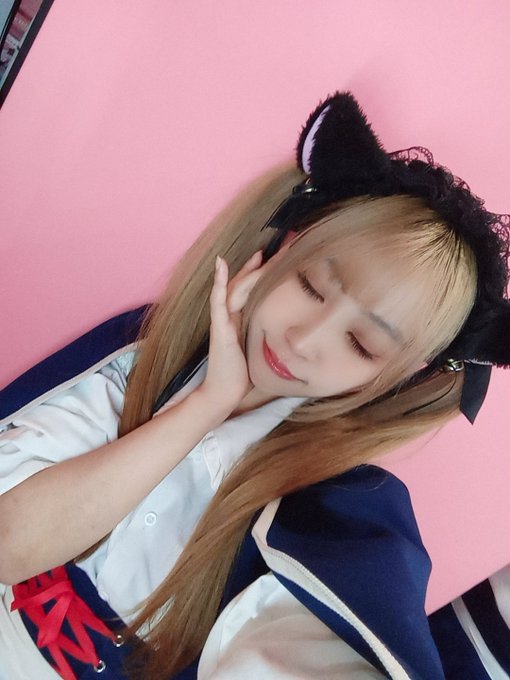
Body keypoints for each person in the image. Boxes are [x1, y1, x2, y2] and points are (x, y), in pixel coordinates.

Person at [0, 91, 508, 680]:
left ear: (393, 379)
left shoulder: (340, 516)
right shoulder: (139, 357)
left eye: (361, 344)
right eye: (312, 286)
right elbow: (9, 543)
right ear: (285, 243)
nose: (304, 340)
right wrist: (206, 404)